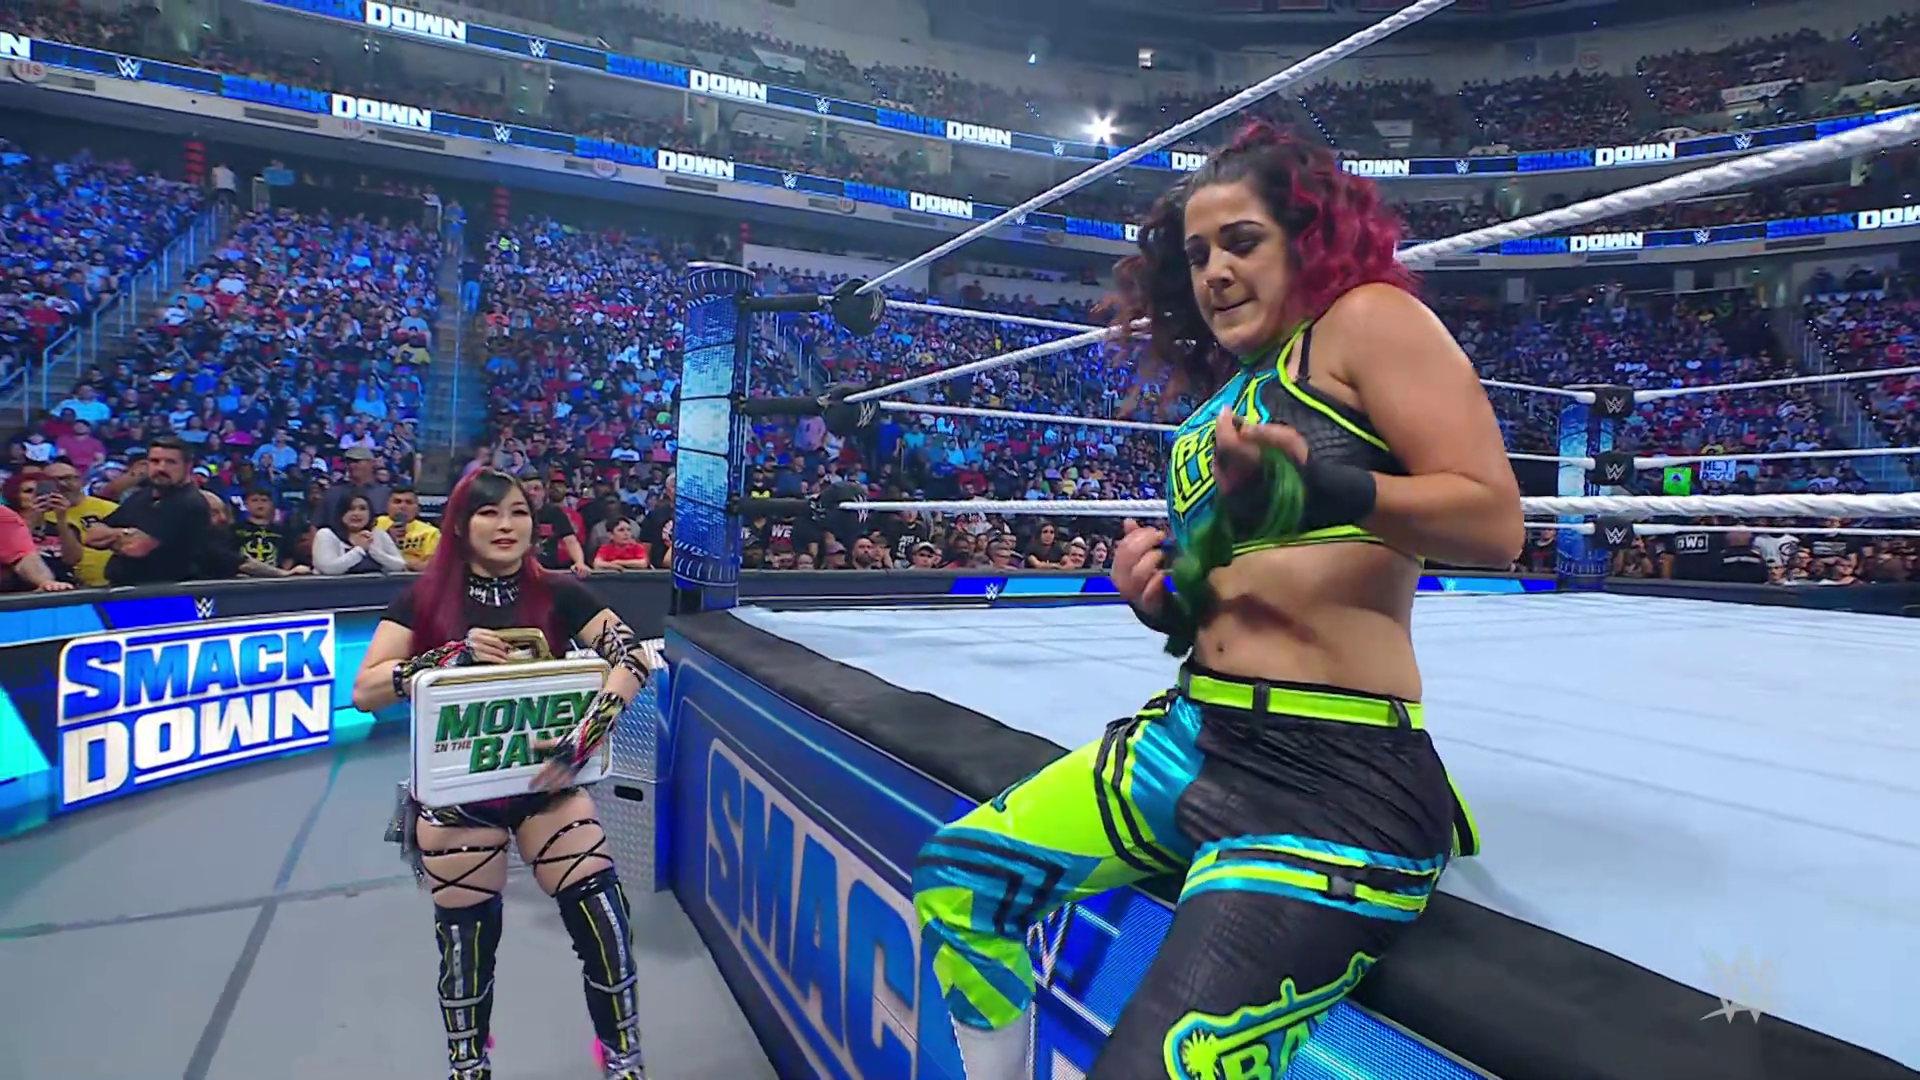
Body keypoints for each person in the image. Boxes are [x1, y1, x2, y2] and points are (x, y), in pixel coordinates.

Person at [911, 123, 1522, 1080]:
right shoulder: (1225, 407)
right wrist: (1163, 599)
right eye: (1197, 255)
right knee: (962, 881)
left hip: (1332, 777)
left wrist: (1327, 489)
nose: (1216, 273)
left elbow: (1495, 522)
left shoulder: (1367, 322)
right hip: (1193, 735)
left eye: (1242, 242)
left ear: (1307, 240)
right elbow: (1229, 598)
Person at [350, 469, 655, 1080]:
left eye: (518, 511)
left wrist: (583, 737)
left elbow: (634, 656)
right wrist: (448, 656)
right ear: (461, 525)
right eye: (489, 513)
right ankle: (468, 1064)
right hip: (459, 797)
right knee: (466, 947)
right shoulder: (423, 598)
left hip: (546, 788)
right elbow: (365, 691)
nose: (506, 525)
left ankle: (623, 1055)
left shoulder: (559, 591)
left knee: (606, 920)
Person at [84, 438, 213, 586]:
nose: (161, 468)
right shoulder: (141, 496)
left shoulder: (189, 503)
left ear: (188, 467)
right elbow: (92, 536)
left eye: (170, 462)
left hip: (164, 590)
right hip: (124, 588)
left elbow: (137, 548)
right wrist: (126, 533)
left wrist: (111, 537)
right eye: (155, 461)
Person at [313, 491, 408, 575]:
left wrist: (373, 551)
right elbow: (329, 569)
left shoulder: (377, 533)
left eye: (363, 509)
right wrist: (360, 549)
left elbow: (399, 565)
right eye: (351, 509)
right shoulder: (326, 534)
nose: (356, 514)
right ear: (341, 512)